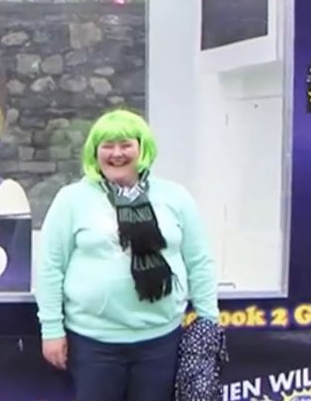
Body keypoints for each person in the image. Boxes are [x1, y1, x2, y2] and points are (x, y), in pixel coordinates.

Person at [35, 108, 219, 401]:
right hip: (93, 343)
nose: (116, 153)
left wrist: (208, 321)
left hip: (161, 341)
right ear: (95, 152)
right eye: (107, 145)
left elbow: (199, 262)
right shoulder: (72, 199)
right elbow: (50, 268)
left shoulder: (176, 197)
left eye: (126, 144)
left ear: (142, 148)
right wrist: (52, 330)